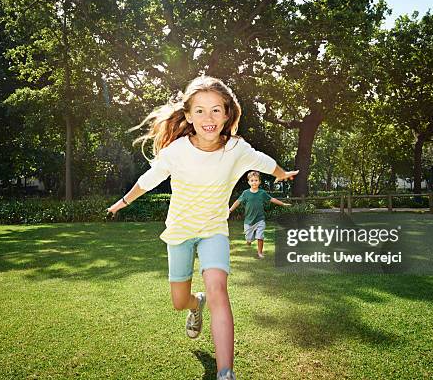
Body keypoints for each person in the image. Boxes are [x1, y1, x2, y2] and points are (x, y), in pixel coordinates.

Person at [106, 76, 298, 380]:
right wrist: (123, 202)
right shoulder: (176, 151)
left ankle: (225, 372)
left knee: (219, 290)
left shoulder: (236, 148)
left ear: (227, 114)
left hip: (213, 231)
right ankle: (197, 305)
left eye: (216, 110)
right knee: (179, 302)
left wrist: (282, 172)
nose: (208, 118)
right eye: (200, 111)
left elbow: (263, 161)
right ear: (188, 116)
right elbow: (149, 179)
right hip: (180, 233)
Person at [229, 171, 291, 259]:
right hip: (248, 221)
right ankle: (249, 240)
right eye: (252, 180)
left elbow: (272, 199)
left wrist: (283, 204)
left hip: (260, 219)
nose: (254, 182)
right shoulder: (245, 193)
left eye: (256, 180)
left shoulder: (262, 193)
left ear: (259, 182)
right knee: (249, 238)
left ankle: (260, 253)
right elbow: (238, 202)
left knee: (260, 237)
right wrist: (230, 210)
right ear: (249, 182)